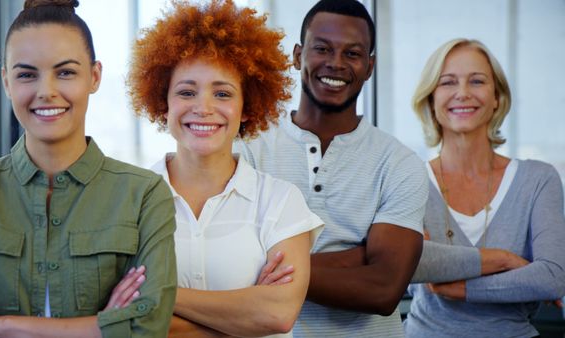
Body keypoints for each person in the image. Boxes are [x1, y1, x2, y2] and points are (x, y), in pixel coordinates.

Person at [0, 1, 177, 337]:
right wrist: (101, 328)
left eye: (66, 72)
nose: (46, 92)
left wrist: (2, 325)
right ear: (5, 81)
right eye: (27, 74)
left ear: (95, 76)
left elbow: (147, 326)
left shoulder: (144, 194)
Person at [127, 0, 324, 337]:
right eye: (187, 91)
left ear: (247, 107)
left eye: (222, 93)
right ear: (164, 102)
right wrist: (242, 315)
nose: (203, 108)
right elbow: (122, 322)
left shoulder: (280, 202)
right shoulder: (128, 200)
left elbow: (277, 314)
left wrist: (159, 295)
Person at [235, 0, 428, 337]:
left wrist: (273, 270)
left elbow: (384, 289)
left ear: (369, 66)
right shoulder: (247, 150)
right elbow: (232, 267)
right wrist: (354, 258)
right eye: (322, 48)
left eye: (352, 54)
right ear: (297, 56)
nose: (335, 63)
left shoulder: (399, 163)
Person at [403, 38, 565, 338]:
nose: (463, 93)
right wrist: (504, 260)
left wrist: (459, 287)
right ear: (430, 100)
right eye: (448, 82)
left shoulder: (539, 179)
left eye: (477, 81)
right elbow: (415, 263)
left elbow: (552, 277)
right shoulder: (407, 178)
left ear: (496, 98)